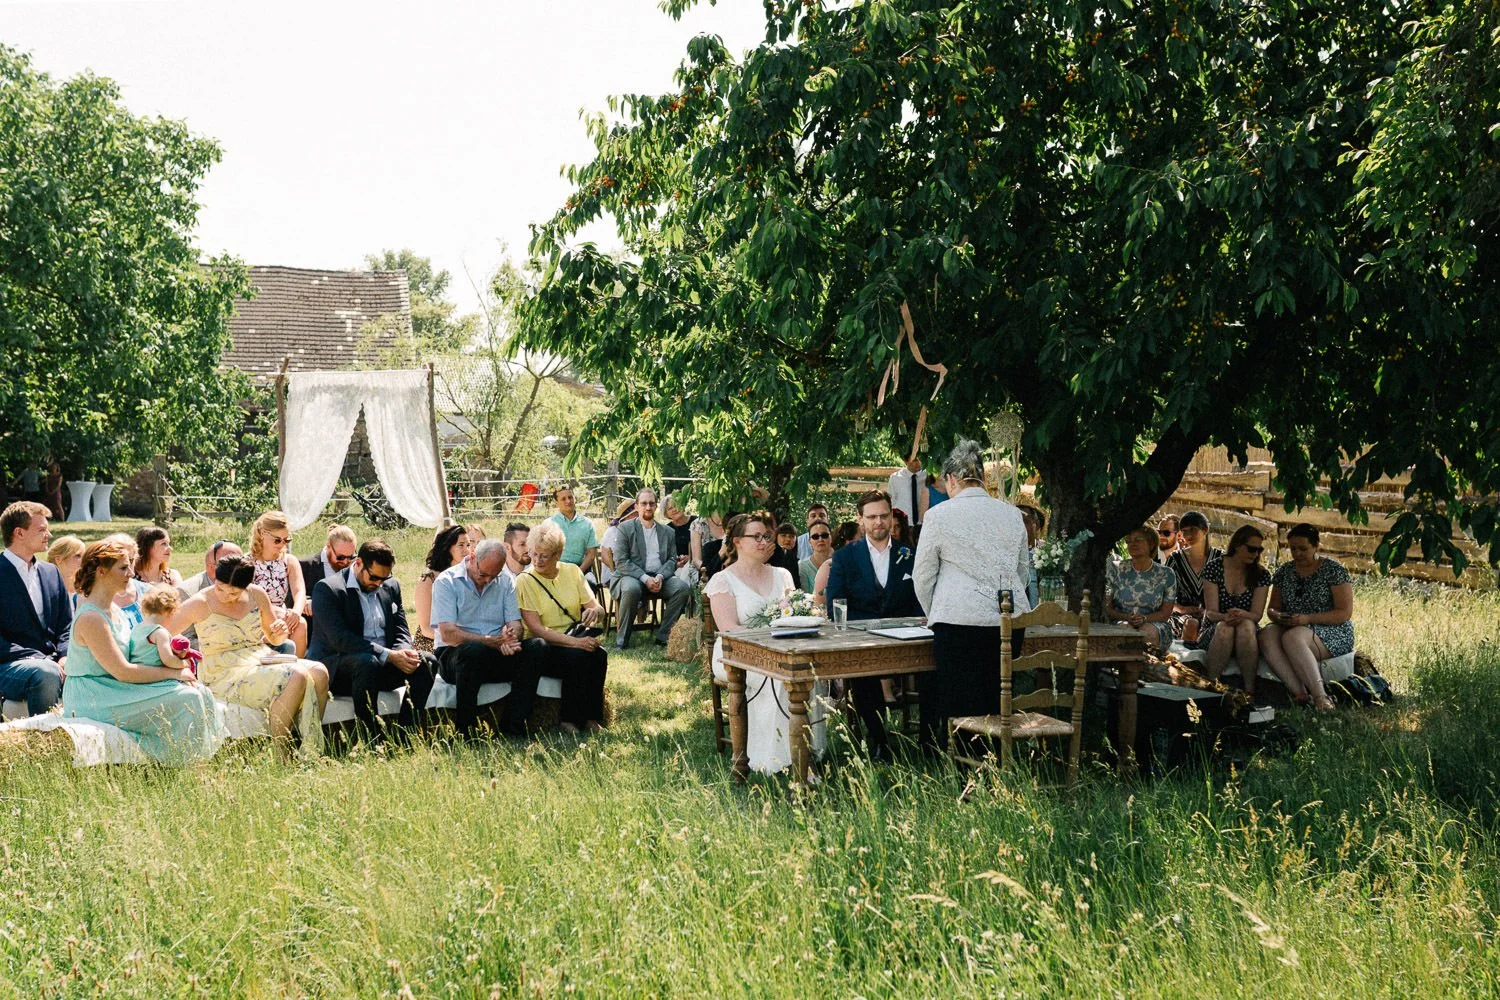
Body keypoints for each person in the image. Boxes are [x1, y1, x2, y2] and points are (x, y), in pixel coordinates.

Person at [913, 441, 1033, 746]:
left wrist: (934, 611)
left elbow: (922, 576)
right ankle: (996, 759)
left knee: (960, 700)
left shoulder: (938, 516)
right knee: (997, 694)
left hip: (958, 621)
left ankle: (966, 765)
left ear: (951, 479)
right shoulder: (1012, 515)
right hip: (1009, 621)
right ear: (981, 477)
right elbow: (1022, 573)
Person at [61, 541, 224, 764]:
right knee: (187, 698)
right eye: (123, 568)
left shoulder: (115, 610)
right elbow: (123, 671)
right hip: (92, 695)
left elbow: (133, 655)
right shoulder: (91, 618)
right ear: (101, 571)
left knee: (200, 692)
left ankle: (195, 760)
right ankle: (183, 765)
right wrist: (173, 674)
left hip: (113, 687)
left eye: (130, 567)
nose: (130, 573)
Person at [170, 554, 328, 758]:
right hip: (223, 670)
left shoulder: (256, 594)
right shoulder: (200, 602)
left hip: (259, 656)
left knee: (320, 672)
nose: (225, 596)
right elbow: (162, 631)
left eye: (233, 592)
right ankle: (282, 755)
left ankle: (311, 748)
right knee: (296, 675)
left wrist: (279, 633)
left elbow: (274, 638)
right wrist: (178, 661)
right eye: (220, 588)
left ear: (246, 587)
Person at [707, 511, 826, 774]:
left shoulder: (782, 574)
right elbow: (730, 630)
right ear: (737, 541)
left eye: (766, 536)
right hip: (735, 653)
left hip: (783, 649)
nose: (764, 542)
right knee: (777, 675)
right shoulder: (722, 580)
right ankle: (774, 759)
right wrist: (769, 645)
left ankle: (808, 751)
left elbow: (794, 613)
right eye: (756, 537)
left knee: (808, 671)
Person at [827, 490, 926, 759]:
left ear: (891, 516)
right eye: (872, 517)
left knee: (933, 668)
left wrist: (918, 625)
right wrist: (846, 634)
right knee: (863, 679)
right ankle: (880, 741)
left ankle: (929, 741)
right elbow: (835, 600)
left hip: (907, 636)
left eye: (884, 516)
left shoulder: (910, 554)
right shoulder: (846, 557)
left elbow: (921, 596)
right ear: (861, 520)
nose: (879, 522)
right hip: (862, 638)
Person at [307, 540, 436, 743]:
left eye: (384, 579)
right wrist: (390, 655)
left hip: (382, 662)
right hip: (341, 667)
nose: (378, 583)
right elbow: (341, 640)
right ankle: (371, 738)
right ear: (358, 563)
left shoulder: (391, 586)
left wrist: (404, 652)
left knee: (427, 662)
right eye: (374, 577)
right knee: (368, 663)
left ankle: (406, 734)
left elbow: (401, 628)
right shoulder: (328, 590)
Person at [430, 538, 545, 740]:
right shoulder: (446, 582)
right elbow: (448, 633)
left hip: (495, 649)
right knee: (473, 651)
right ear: (472, 558)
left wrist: (512, 637)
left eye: (494, 575)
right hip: (455, 655)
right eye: (483, 574)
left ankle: (514, 726)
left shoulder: (505, 581)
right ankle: (466, 730)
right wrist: (489, 641)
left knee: (537, 647)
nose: (488, 581)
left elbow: (516, 623)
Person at [514, 521, 609, 733]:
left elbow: (597, 607)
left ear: (558, 554)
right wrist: (577, 643)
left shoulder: (573, 572)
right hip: (543, 646)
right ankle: (570, 720)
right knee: (577, 657)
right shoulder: (525, 580)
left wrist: (595, 611)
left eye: (544, 555)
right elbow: (537, 629)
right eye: (534, 554)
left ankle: (593, 718)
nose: (537, 560)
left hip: (573, 636)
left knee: (599, 655)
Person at [1260, 523, 1354, 712]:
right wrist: (1279, 616)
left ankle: (1321, 697)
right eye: (1293, 548)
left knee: (1293, 637)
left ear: (1316, 546)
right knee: (1266, 634)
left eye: (1303, 548)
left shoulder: (1333, 570)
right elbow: (1271, 609)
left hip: (1331, 629)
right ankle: (1299, 693)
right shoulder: (1284, 572)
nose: (1297, 553)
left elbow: (1344, 612)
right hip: (1294, 625)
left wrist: (1307, 619)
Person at [0, 501, 67, 717]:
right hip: (9, 665)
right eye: (41, 529)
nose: (48, 534)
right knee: (46, 672)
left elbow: (67, 625)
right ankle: (44, 743)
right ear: (19, 532)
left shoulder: (51, 573)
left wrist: (65, 656)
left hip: (54, 660)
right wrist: (38, 658)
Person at [609, 488, 693, 649]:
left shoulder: (667, 532)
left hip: (659, 577)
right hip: (631, 577)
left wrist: (660, 576)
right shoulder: (625, 528)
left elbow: (671, 559)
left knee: (682, 588)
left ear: (656, 506)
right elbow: (621, 561)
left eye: (651, 503)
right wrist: (645, 578)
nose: (648, 507)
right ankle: (622, 641)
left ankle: (663, 636)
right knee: (631, 588)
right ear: (636, 506)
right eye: (644, 503)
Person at [1195, 526, 1271, 697]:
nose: (1256, 554)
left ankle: (1249, 690)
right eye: (1252, 549)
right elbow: (1211, 612)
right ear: (1237, 545)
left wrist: (1242, 615)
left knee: (1246, 625)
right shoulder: (1214, 568)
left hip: (1247, 631)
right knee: (1224, 627)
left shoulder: (1261, 574)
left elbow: (1257, 615)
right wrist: (1225, 617)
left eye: (1259, 550)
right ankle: (1211, 686)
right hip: (1214, 629)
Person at [1108, 526, 1178, 653]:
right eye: (1129, 541)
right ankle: (1129, 670)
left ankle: (1146, 669)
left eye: (1138, 540)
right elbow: (1107, 607)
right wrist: (1126, 617)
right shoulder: (1116, 569)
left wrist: (1145, 618)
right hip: (1121, 621)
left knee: (1147, 633)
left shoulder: (1166, 574)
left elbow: (1165, 613)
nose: (1132, 544)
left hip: (1154, 623)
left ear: (1151, 544)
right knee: (1126, 632)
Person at [248, 511, 309, 656]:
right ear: (262, 533)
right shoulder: (247, 563)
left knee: (300, 623)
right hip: (256, 616)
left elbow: (300, 591)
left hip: (282, 614)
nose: (282, 544)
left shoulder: (289, 561)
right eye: (277, 540)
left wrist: (296, 611)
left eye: (286, 540)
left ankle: (297, 670)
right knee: (284, 621)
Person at [413, 524, 471, 653]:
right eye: (460, 545)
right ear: (447, 547)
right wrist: (459, 639)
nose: (466, 550)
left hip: (464, 642)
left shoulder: (468, 576)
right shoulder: (428, 579)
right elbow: (426, 628)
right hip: (432, 645)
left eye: (468, 545)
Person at [176, 539, 243, 649]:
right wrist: (226, 647)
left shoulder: (246, 586)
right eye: (234, 565)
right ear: (213, 568)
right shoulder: (187, 593)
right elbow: (187, 639)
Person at [1165, 510, 1221, 640]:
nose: (1188, 535)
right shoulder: (1175, 559)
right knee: (1191, 623)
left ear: (1205, 530)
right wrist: (1182, 609)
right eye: (1184, 531)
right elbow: (1163, 594)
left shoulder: (1220, 558)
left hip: (1214, 615)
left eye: (1193, 529)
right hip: (1181, 615)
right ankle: (1187, 660)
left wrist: (1210, 612)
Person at [126, 586, 191, 673]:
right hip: (155, 675)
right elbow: (168, 660)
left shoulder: (137, 628)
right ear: (168, 612)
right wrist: (185, 663)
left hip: (139, 673)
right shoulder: (160, 632)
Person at [298, 524, 357, 614]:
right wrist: (307, 603)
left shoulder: (356, 567)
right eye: (340, 557)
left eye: (351, 557)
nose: (345, 562)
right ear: (328, 546)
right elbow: (290, 599)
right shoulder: (304, 566)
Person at [547, 485, 599, 576]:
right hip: (556, 569)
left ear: (575, 499)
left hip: (581, 568)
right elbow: (544, 552)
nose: (568, 501)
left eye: (570, 497)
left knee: (591, 585)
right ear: (556, 503)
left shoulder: (587, 524)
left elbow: (591, 554)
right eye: (563, 499)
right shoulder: (549, 524)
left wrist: (579, 572)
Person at [887, 455, 930, 528]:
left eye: (920, 459)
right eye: (915, 460)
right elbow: (891, 501)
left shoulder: (928, 476)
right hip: (903, 524)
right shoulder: (895, 478)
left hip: (924, 523)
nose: (919, 462)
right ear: (906, 461)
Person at [46, 534, 85, 615]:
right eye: (78, 556)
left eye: (84, 555)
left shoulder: (87, 589)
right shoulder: (48, 592)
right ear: (58, 559)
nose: (84, 560)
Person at [798, 519, 834, 596]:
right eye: (815, 537)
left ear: (831, 538)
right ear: (810, 542)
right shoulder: (802, 567)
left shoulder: (842, 563)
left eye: (824, 535)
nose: (820, 539)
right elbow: (805, 598)